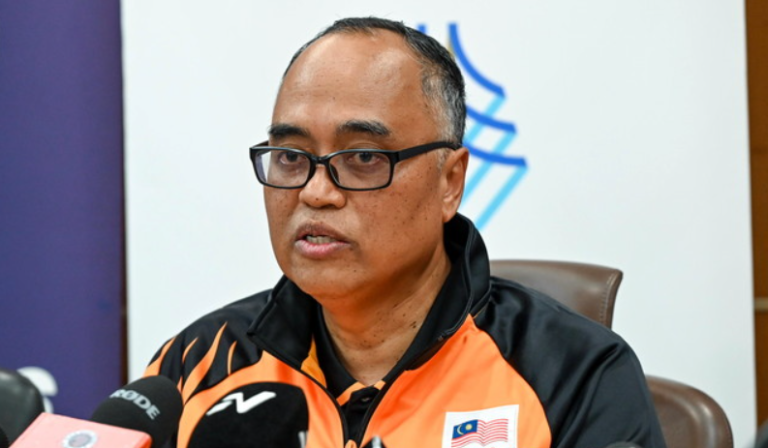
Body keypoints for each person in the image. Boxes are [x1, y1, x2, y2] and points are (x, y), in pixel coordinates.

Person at [145, 17, 667, 448]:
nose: (316, 192)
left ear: (449, 182)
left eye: (363, 158)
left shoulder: (575, 374)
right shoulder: (198, 363)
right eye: (291, 157)